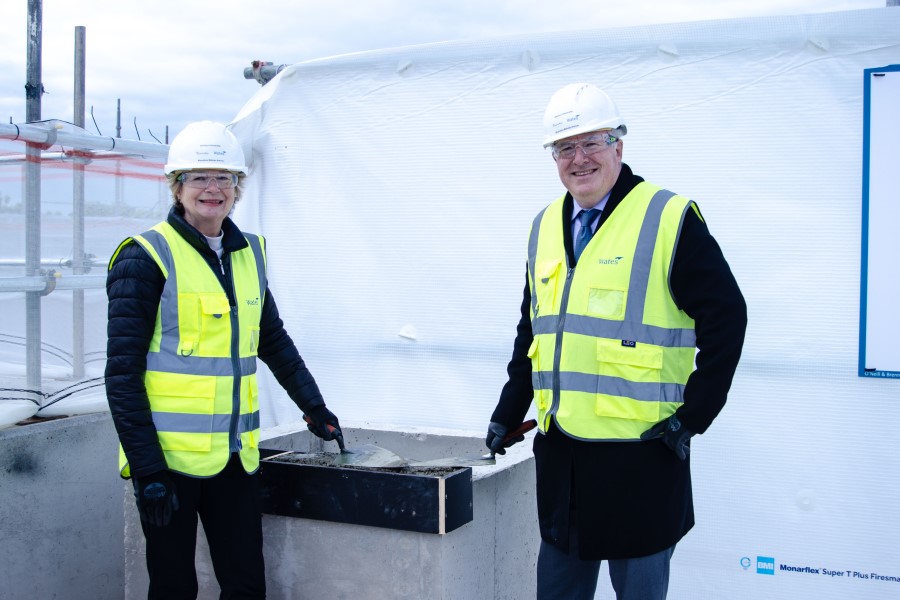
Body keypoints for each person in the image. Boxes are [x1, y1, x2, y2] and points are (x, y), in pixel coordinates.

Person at [485, 83, 747, 600]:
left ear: (619, 146)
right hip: (562, 461)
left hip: (642, 459)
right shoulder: (543, 227)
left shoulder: (668, 219)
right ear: (553, 157)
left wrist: (692, 418)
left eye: (592, 143)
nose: (578, 159)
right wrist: (506, 408)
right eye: (565, 147)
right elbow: (531, 330)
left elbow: (728, 318)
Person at [105, 120, 342, 599]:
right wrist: (148, 470)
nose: (213, 189)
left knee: (246, 585)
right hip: (168, 465)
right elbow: (122, 376)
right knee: (173, 587)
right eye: (198, 177)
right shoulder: (145, 257)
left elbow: (271, 340)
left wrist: (314, 406)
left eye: (224, 178)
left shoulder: (249, 253)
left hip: (234, 458)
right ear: (177, 187)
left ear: (238, 187)